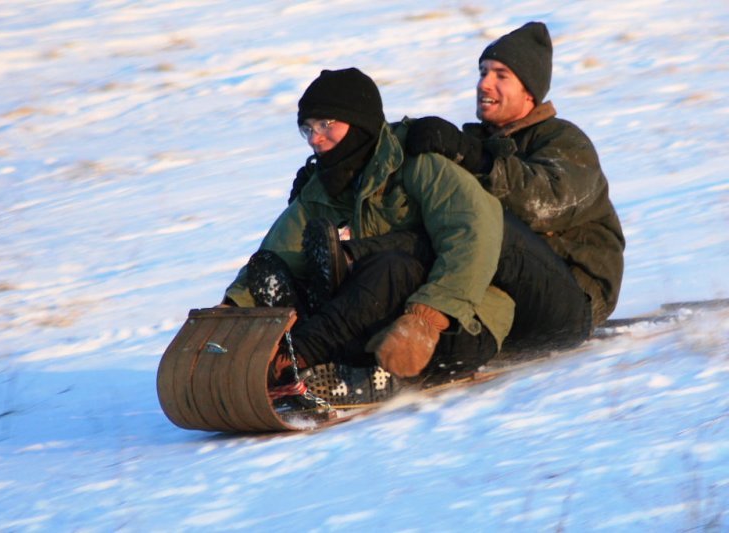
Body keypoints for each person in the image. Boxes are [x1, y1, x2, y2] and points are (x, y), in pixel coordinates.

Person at [291, 22, 625, 355]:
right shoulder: (476, 140)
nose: (484, 84)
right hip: (497, 297)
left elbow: (547, 204)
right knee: (428, 235)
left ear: (530, 90)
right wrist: (339, 166)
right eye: (482, 72)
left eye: (500, 75)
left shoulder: (563, 140)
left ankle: (350, 257)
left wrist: (477, 159)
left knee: (482, 221)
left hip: (569, 303)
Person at [221, 67, 514, 396]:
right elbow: (280, 250)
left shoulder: (417, 163)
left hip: (456, 322)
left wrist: (428, 316)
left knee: (389, 268)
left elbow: (473, 233)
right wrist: (231, 310)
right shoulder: (322, 187)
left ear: (359, 122)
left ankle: (294, 359)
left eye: (326, 125)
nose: (315, 138)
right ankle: (282, 347)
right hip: (368, 314)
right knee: (288, 272)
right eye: (307, 128)